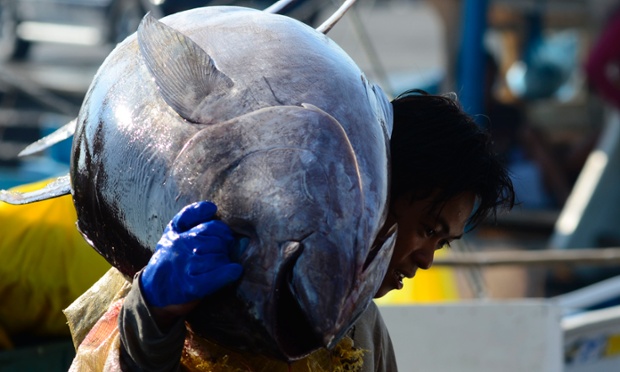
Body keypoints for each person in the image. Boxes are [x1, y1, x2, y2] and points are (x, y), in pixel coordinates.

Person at [69, 90, 515, 371]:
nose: (426, 259)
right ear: (376, 191)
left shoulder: (365, 334)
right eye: (427, 229)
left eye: (442, 242)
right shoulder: (209, 271)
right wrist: (153, 313)